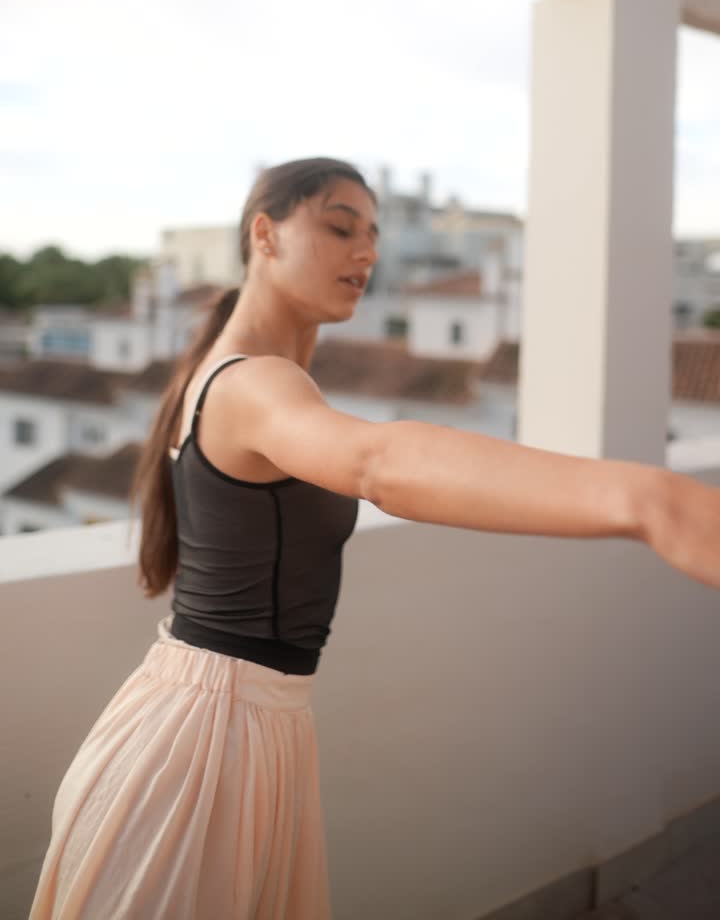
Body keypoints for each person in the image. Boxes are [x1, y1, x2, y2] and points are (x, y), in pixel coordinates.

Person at [29, 156, 720, 920]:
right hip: (202, 744)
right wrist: (649, 500)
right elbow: (380, 462)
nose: (368, 251)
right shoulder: (250, 383)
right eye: (339, 226)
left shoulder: (249, 376)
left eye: (374, 235)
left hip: (245, 725)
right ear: (265, 233)